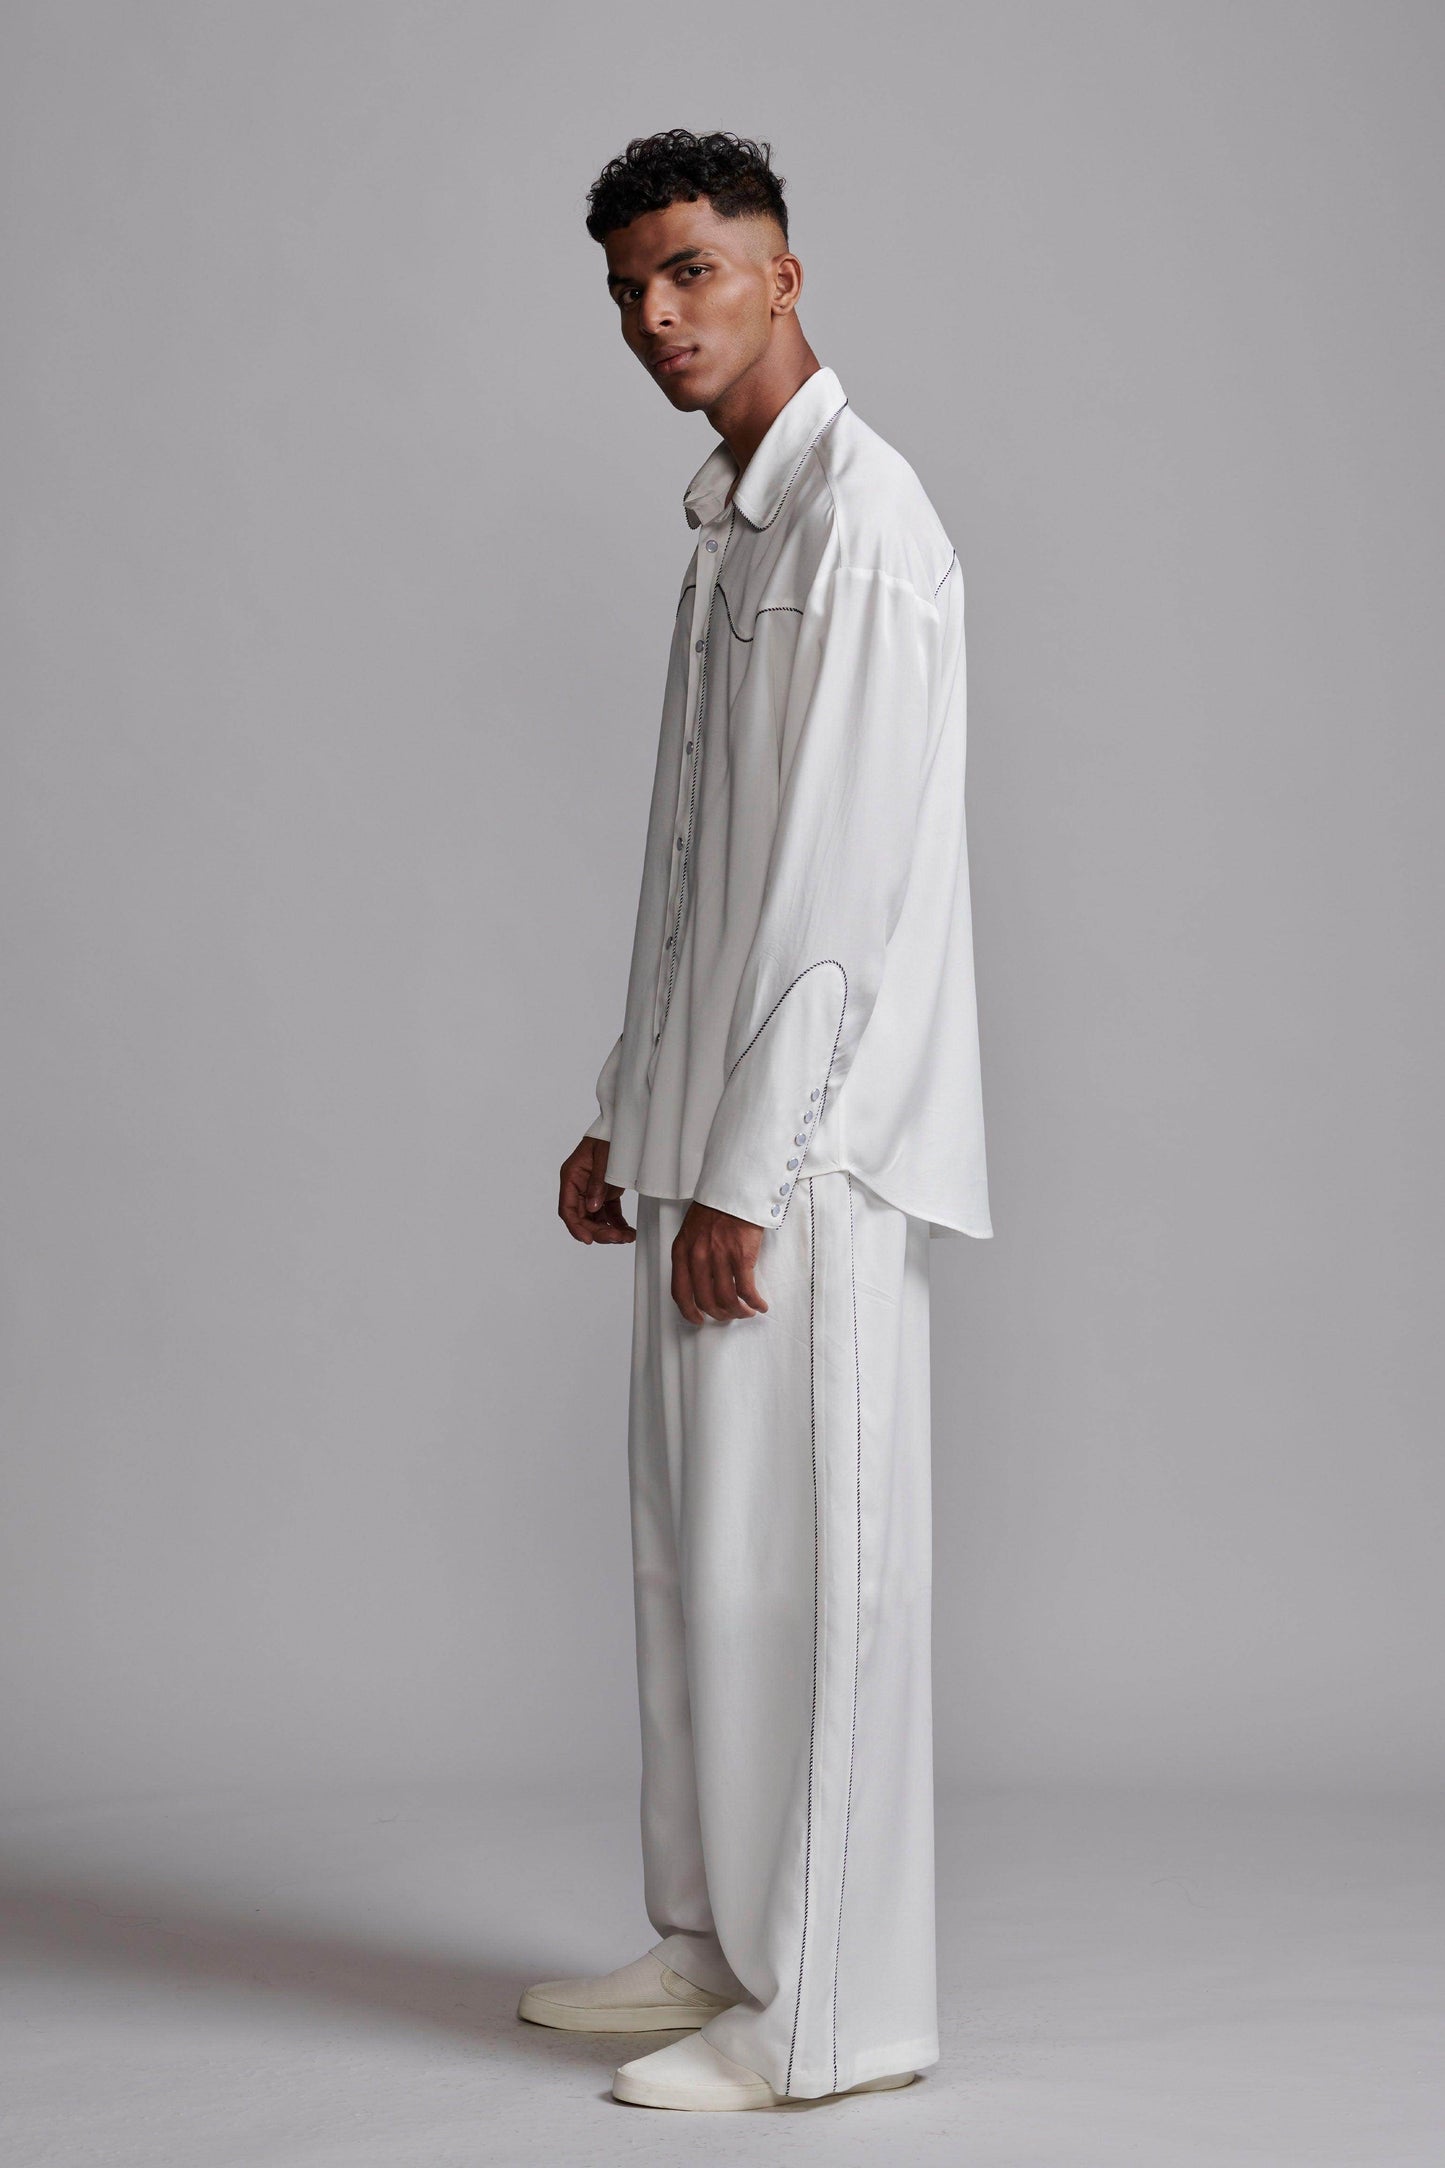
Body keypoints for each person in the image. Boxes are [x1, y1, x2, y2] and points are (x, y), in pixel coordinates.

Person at [522, 129, 991, 2113]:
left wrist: (744, 1168)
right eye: (630, 286)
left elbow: (839, 891)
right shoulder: (735, 526)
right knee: (691, 1567)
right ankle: (712, 1943)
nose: (658, 315)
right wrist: (627, 1106)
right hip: (707, 1138)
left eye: (692, 271)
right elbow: (694, 866)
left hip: (806, 1162)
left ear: (783, 274)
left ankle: (830, 2020)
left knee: (805, 1583)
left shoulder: (862, 528)